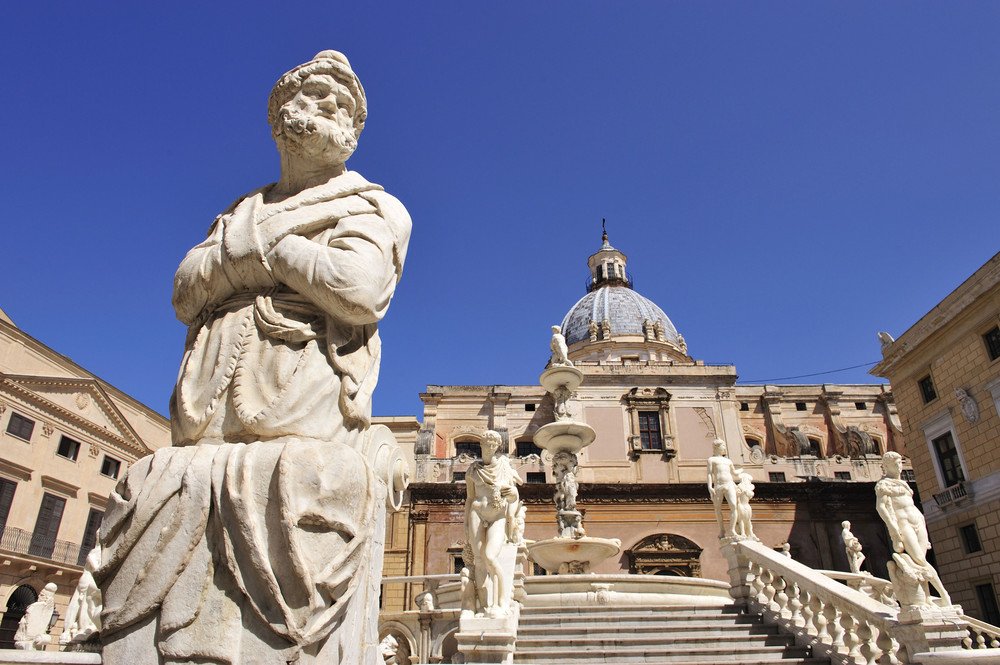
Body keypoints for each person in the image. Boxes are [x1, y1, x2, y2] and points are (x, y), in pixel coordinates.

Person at [98, 51, 411, 665]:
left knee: (310, 481)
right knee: (151, 483)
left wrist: (253, 254)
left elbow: (360, 289)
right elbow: (186, 291)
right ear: (280, 114)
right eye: (319, 97)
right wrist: (278, 257)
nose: (332, 111)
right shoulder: (238, 210)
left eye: (344, 107)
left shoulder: (373, 206)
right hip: (209, 409)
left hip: (300, 398)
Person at [876, 451, 951, 605]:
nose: (899, 466)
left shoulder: (904, 484)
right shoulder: (883, 484)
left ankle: (927, 597)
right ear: (886, 466)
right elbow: (881, 507)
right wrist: (893, 527)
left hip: (918, 520)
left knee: (918, 562)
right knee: (920, 559)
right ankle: (944, 595)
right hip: (904, 523)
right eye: (895, 463)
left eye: (900, 462)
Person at [465, 430, 522, 617]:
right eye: (486, 445)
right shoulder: (473, 470)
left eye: (493, 446)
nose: (489, 448)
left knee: (490, 556)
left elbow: (514, 494)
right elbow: (470, 498)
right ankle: (482, 607)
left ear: (497, 448)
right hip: (477, 513)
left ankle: (501, 602)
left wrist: (513, 495)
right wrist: (466, 524)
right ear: (480, 446)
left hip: (497, 515)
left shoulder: (504, 468)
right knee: (479, 560)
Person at [61, 546, 102, 645]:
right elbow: (95, 567)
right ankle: (84, 627)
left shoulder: (97, 551)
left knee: (85, 603)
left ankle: (83, 627)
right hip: (90, 580)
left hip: (89, 580)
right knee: (86, 603)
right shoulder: (97, 551)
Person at [707, 439, 740, 538]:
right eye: (723, 446)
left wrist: (742, 471)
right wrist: (709, 486)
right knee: (717, 508)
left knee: (734, 505)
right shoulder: (711, 460)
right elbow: (709, 474)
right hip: (718, 485)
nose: (725, 448)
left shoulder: (728, 461)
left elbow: (734, 473)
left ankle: (732, 529)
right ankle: (722, 530)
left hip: (729, 484)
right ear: (717, 447)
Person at [14, 583, 56, 651]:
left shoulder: (35, 607)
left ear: (46, 597)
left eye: (42, 595)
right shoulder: (49, 608)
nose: (39, 596)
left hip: (26, 637)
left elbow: (29, 622)